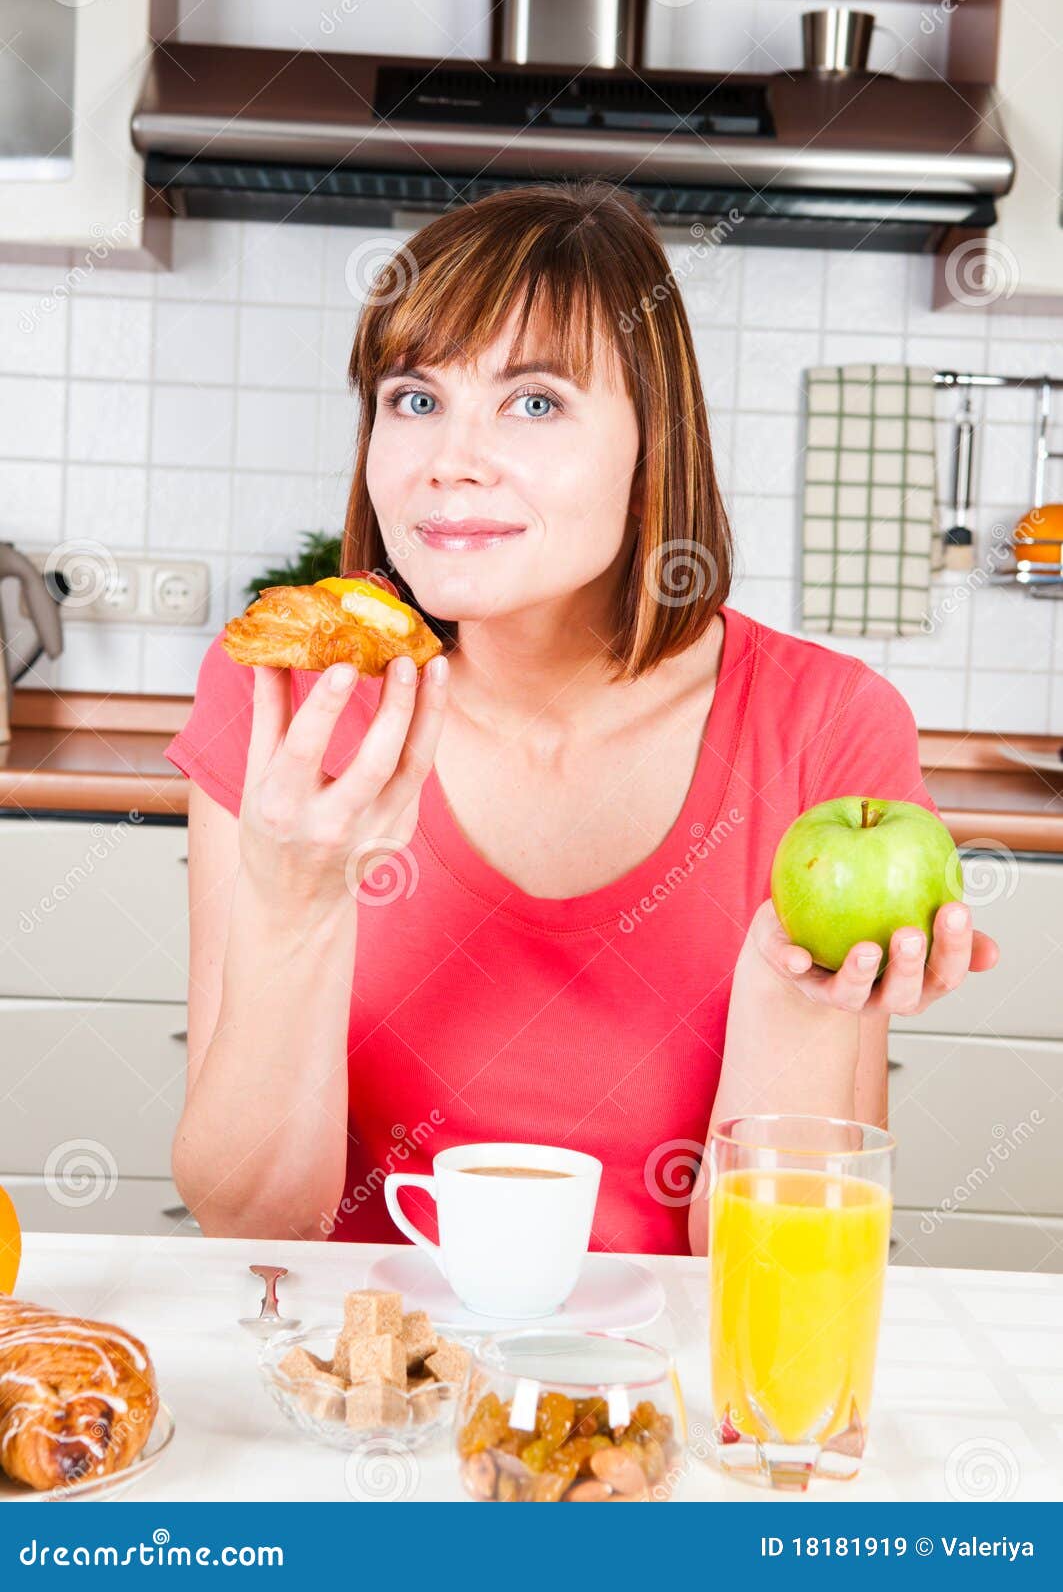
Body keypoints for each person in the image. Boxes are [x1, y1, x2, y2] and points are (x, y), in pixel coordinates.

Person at [164, 181, 998, 1256]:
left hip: (666, 1391)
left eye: (535, 402)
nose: (447, 460)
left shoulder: (823, 727)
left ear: (652, 447)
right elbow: (255, 1223)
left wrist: (800, 996)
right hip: (365, 1382)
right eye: (414, 400)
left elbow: (774, 1265)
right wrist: (296, 900)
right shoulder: (282, 704)